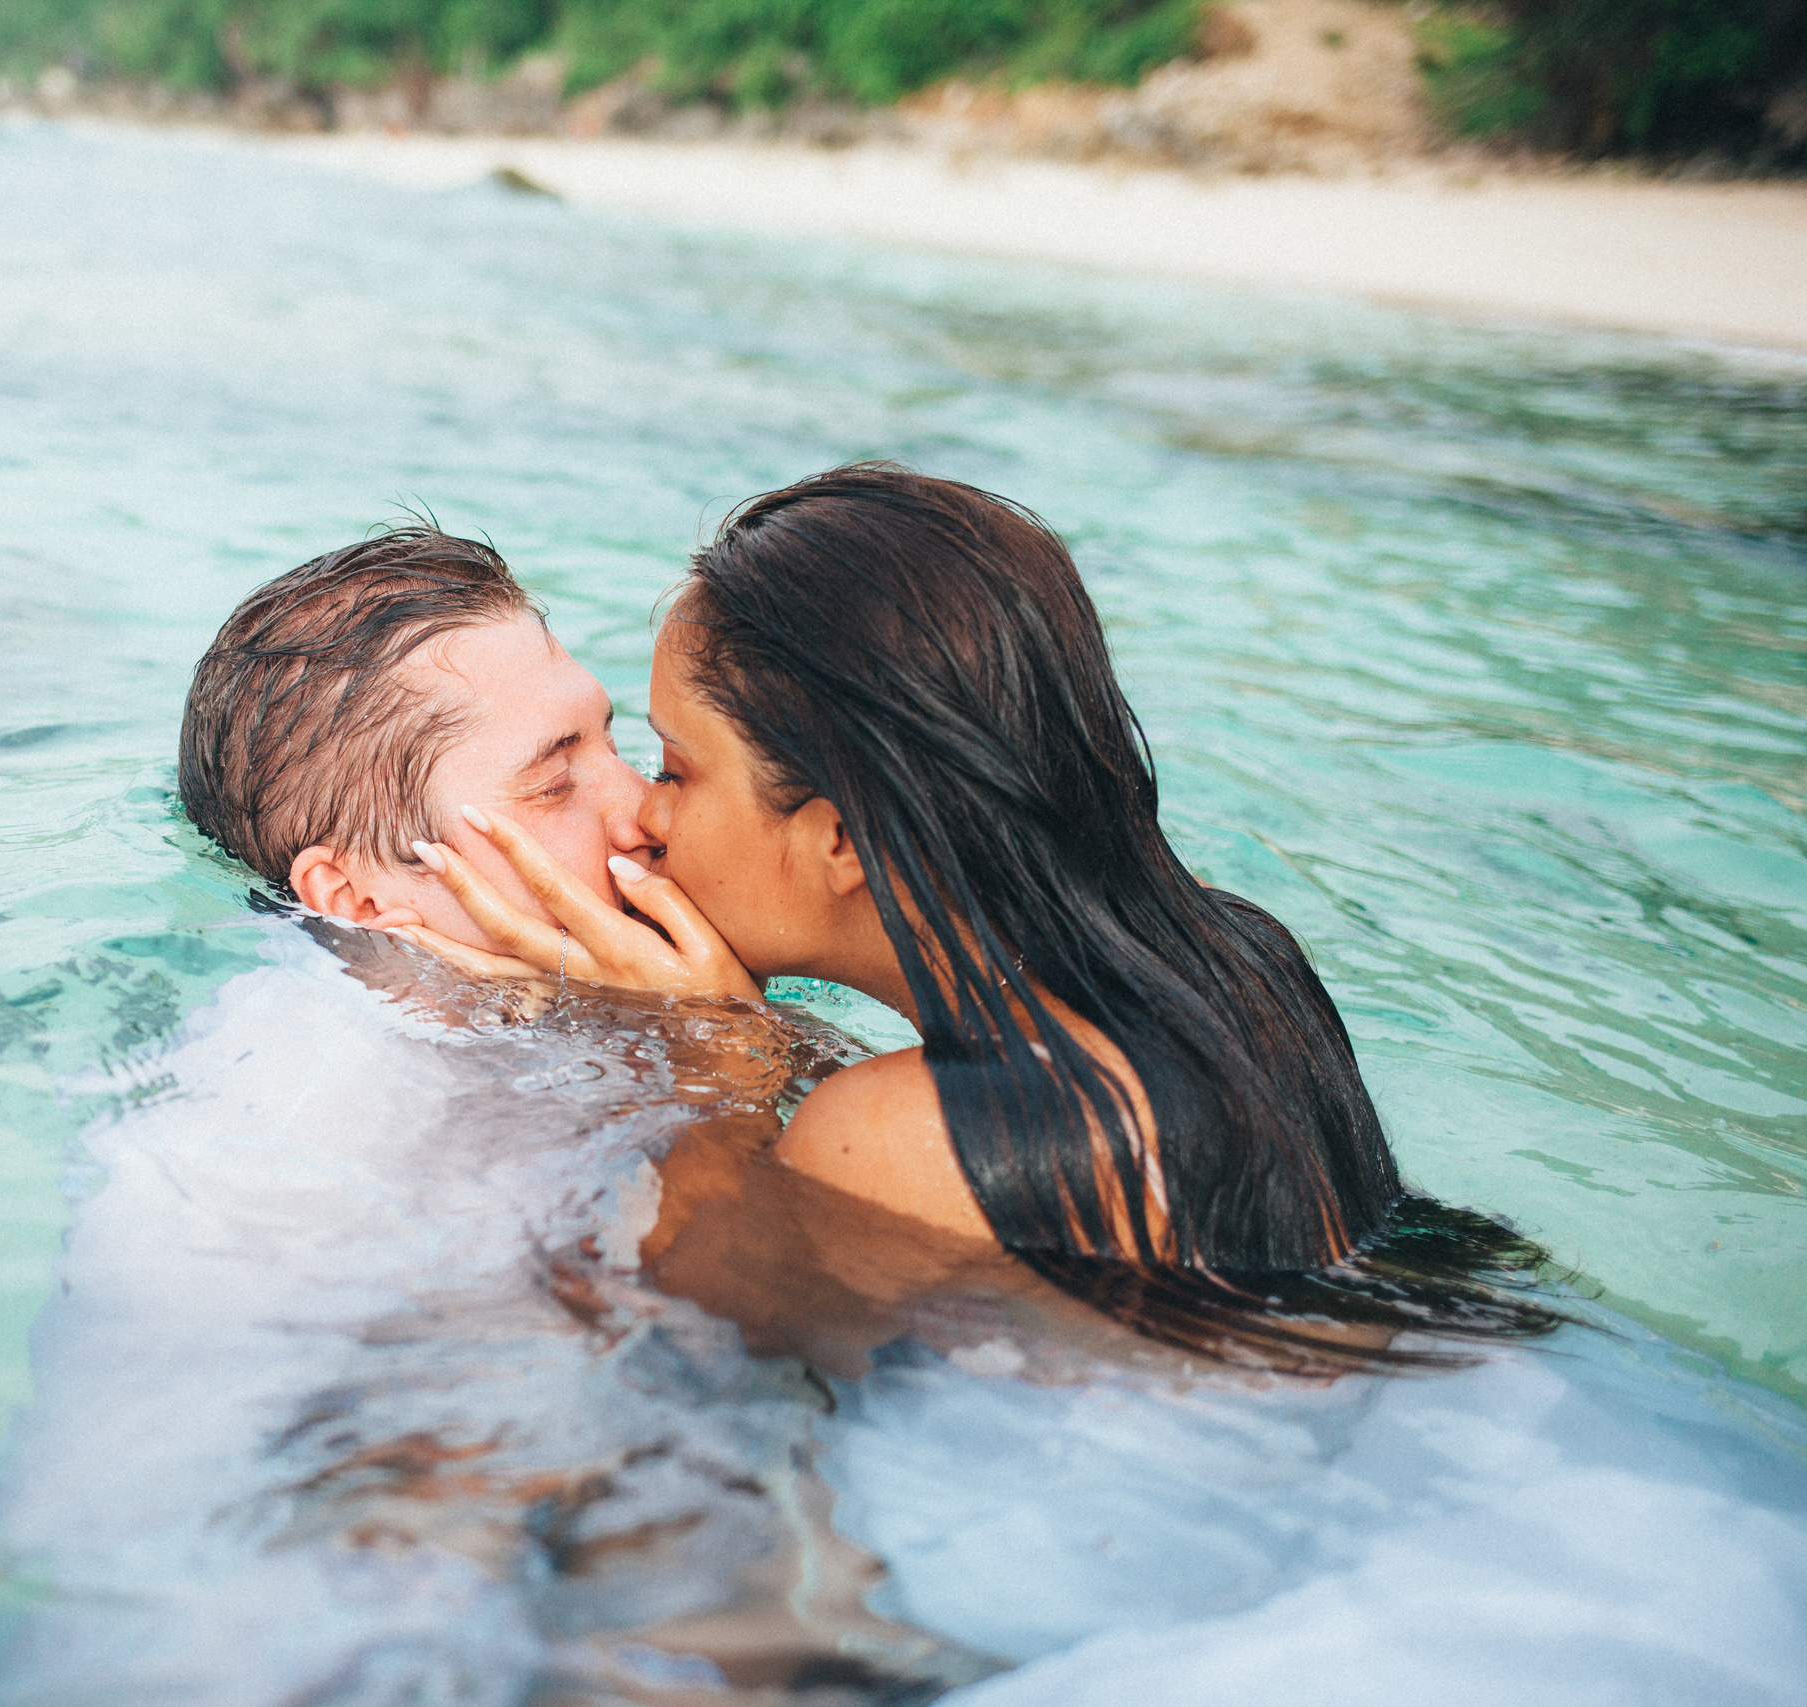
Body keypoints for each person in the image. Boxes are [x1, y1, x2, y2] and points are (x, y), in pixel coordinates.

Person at [400, 463, 1563, 1369]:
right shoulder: (1242, 955)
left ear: (845, 838)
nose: (642, 820)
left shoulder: (892, 1135)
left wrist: (712, 1069)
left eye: (675, 769)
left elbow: (693, 1338)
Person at [178, 525, 657, 947]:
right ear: (356, 901)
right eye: (555, 784)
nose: (652, 808)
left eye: (610, 746)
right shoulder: (312, 1049)